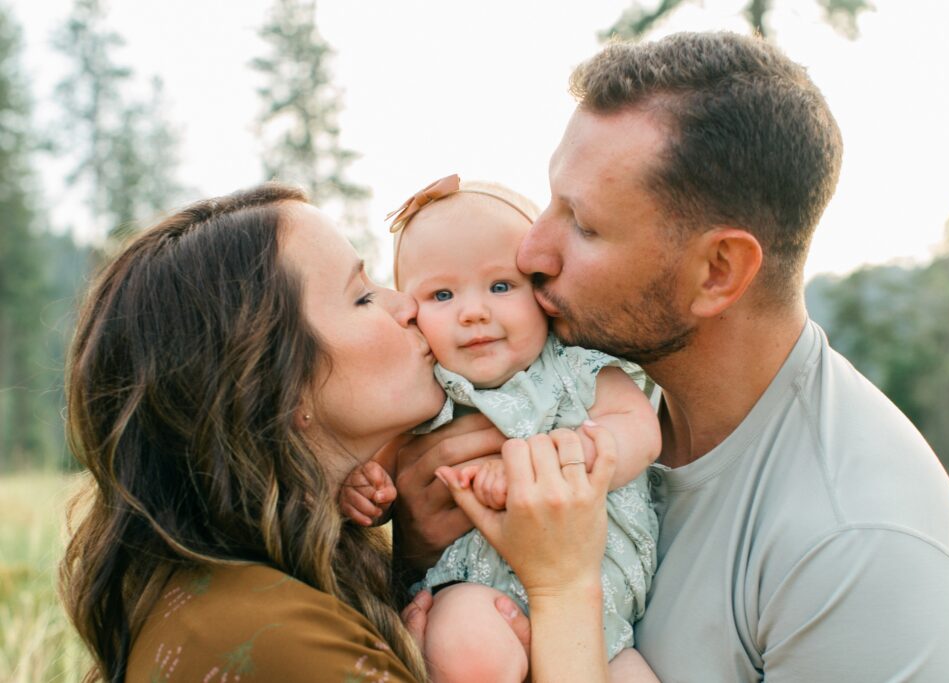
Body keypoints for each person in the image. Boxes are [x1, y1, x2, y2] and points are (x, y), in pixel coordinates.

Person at [392, 32, 949, 681]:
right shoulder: (591, 392)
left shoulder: (858, 551)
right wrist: (413, 550)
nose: (531, 253)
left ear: (718, 271)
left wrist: (560, 592)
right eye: (549, 202)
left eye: (583, 225)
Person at [59, 183, 619, 683]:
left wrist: (420, 563)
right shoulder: (278, 642)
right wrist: (562, 589)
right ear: (276, 384)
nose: (407, 306)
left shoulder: (246, 591)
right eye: (362, 296)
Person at [341, 175, 660, 681]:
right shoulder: (427, 392)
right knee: (465, 647)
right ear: (409, 310)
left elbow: (640, 432)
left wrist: (556, 463)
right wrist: (366, 490)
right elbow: (383, 467)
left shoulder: (576, 370)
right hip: (476, 594)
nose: (473, 312)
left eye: (500, 286)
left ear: (542, 293)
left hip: (604, 624)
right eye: (442, 294)